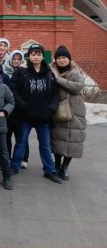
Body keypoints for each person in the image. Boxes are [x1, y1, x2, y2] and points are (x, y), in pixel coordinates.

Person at [10, 43, 62, 184]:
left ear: (42, 56)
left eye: (39, 54)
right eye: (33, 54)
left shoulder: (49, 73)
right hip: (26, 115)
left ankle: (49, 170)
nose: (36, 56)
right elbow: (13, 90)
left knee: (45, 144)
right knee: (21, 142)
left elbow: (56, 94)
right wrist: (23, 105)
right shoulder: (21, 72)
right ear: (29, 56)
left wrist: (51, 108)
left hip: (44, 117)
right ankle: (14, 166)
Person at [50, 45, 87, 181]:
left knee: (73, 140)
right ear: (55, 59)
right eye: (59, 58)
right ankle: (57, 164)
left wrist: (58, 79)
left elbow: (77, 87)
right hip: (57, 109)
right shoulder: (50, 71)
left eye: (64, 57)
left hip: (75, 111)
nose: (61, 60)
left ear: (69, 59)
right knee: (58, 139)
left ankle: (65, 167)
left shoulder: (76, 73)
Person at [3, 50, 30, 169]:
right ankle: (7, 157)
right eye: (14, 59)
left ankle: (23, 158)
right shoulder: (4, 71)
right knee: (7, 135)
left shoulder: (26, 72)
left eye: (19, 59)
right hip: (8, 109)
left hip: (21, 109)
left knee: (22, 136)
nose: (16, 61)